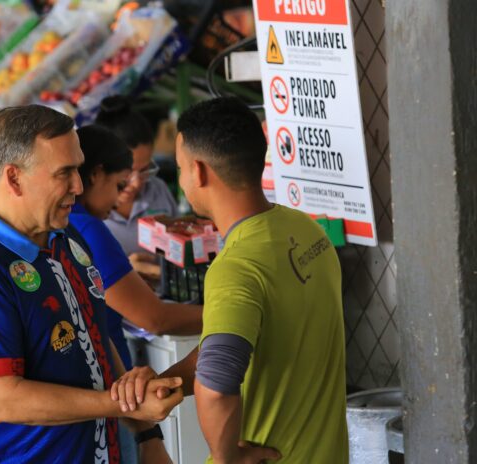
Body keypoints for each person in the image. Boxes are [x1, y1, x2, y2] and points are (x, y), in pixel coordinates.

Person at [0, 105, 183, 463]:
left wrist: (148, 437)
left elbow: (97, 338)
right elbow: (3, 400)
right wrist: (121, 403)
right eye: (64, 173)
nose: (78, 186)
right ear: (14, 178)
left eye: (78, 170)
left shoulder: (65, 237)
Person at [111, 97, 348, 463]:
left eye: (180, 167)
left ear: (200, 172)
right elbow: (229, 344)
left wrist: (225, 457)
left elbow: (217, 382)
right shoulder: (305, 230)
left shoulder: (235, 267)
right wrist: (165, 382)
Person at [71, 124, 202, 370]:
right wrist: (232, 315)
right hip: (106, 380)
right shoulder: (88, 229)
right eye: (119, 186)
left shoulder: (63, 223)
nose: (120, 196)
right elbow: (155, 319)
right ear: (95, 175)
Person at [96, 96, 178, 257]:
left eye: (145, 170)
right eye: (126, 172)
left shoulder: (158, 190)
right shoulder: (82, 210)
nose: (136, 183)